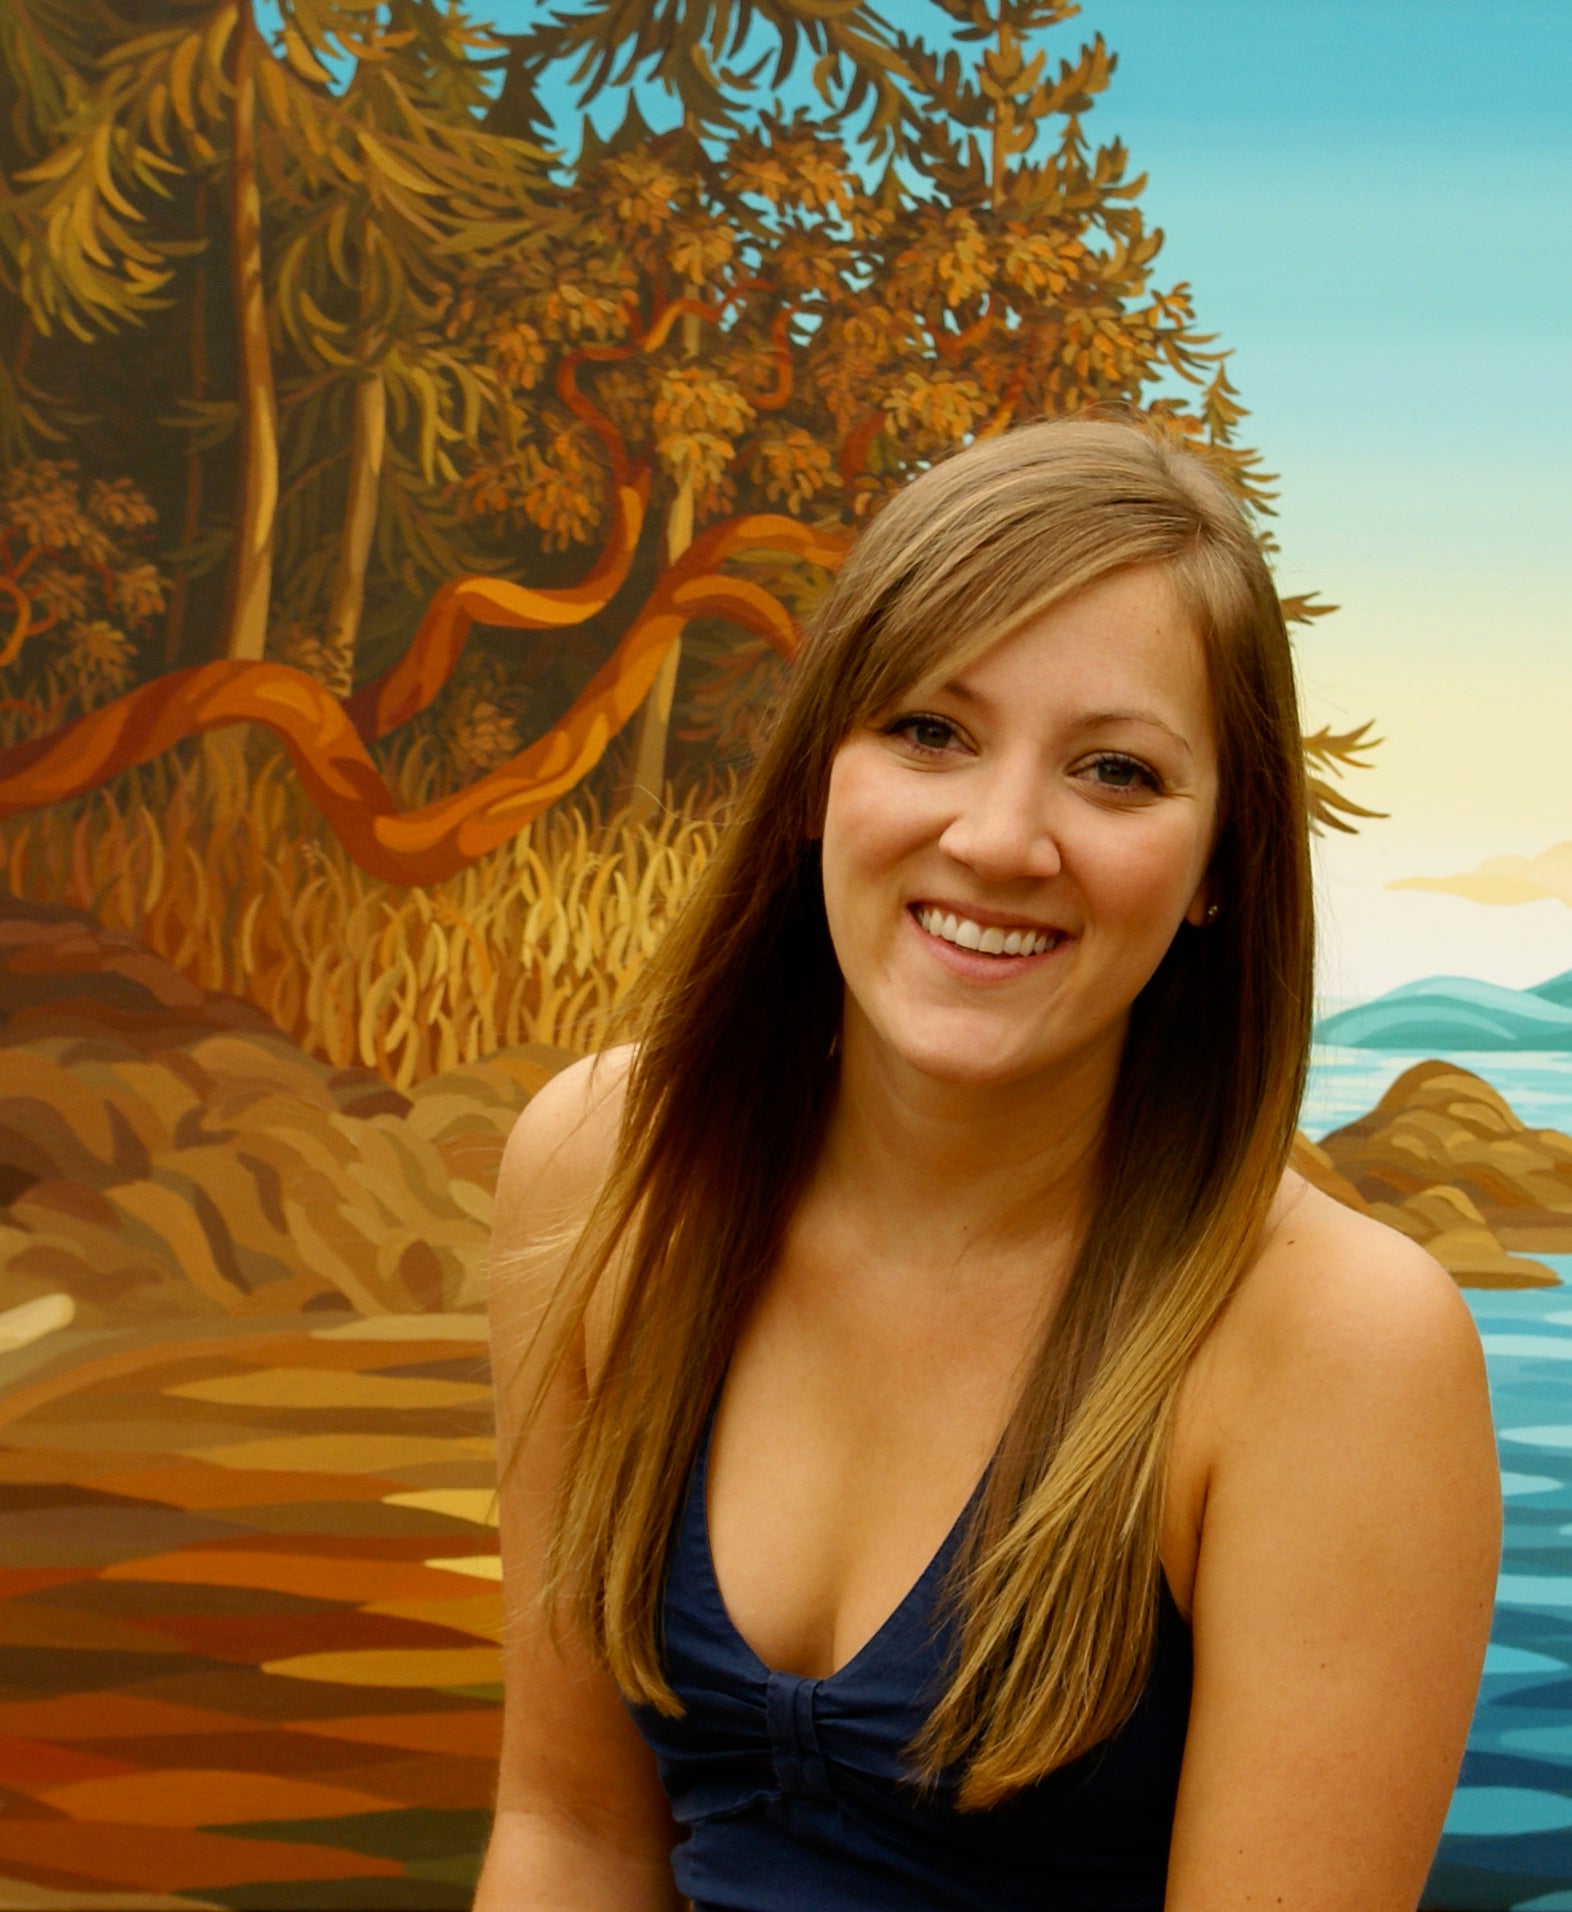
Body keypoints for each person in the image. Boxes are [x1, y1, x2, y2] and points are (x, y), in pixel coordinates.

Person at [473, 415, 1500, 1912]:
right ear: (820, 772)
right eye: (930, 731)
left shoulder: (1338, 1344)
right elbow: (571, 1833)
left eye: (1116, 771)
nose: (1002, 838)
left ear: (1222, 867)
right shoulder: (606, 1173)